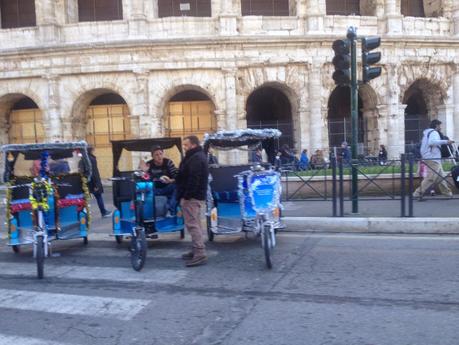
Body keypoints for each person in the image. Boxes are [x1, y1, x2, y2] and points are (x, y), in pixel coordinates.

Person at [176, 135, 209, 267]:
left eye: (186, 145)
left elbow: (193, 180)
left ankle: (200, 253)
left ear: (193, 145)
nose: (184, 147)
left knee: (192, 225)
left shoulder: (195, 158)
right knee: (196, 224)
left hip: (192, 197)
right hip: (196, 196)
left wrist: (186, 196)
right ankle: (196, 249)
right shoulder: (195, 156)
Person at [413, 119, 454, 199]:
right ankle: (417, 193)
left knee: (441, 177)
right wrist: (446, 141)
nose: (440, 128)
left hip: (431, 157)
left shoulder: (427, 133)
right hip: (432, 157)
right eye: (440, 126)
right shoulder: (434, 132)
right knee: (430, 178)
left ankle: (448, 194)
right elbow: (432, 142)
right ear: (436, 126)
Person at [145, 146, 178, 216]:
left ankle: (170, 209)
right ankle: (149, 213)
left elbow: (176, 177)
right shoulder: (149, 164)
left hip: (167, 187)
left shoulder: (168, 162)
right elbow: (146, 179)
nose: (159, 156)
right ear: (152, 156)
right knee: (146, 187)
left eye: (160, 154)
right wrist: (144, 171)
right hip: (155, 189)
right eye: (156, 155)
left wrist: (170, 181)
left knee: (178, 186)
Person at [86, 147, 111, 217]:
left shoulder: (85, 158)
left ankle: (84, 214)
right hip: (93, 182)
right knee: (98, 196)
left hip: (88, 181)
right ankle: (103, 212)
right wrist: (96, 184)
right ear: (91, 150)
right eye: (93, 150)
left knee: (85, 198)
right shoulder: (91, 159)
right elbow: (94, 172)